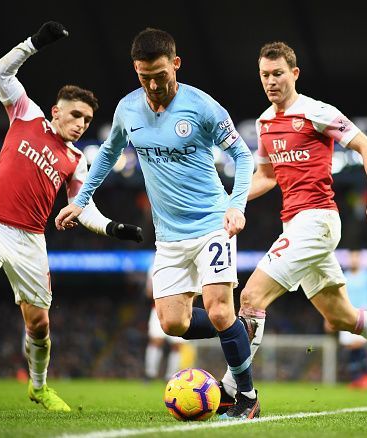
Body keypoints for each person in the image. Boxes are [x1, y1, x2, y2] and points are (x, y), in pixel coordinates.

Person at [220, 41, 367, 404]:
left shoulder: (317, 112)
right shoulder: (264, 123)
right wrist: (230, 201)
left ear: (294, 73)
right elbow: (266, 177)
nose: (271, 81)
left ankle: (235, 392)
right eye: (265, 75)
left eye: (278, 74)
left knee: (250, 296)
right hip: (293, 225)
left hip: (318, 220)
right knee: (340, 316)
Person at [56, 28, 260, 419]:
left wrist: (236, 206)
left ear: (176, 64)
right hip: (168, 237)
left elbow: (242, 155)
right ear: (135, 69)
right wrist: (82, 200)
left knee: (218, 310)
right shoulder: (127, 109)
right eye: (144, 76)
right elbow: (107, 154)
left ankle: (247, 396)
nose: (153, 84)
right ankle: (239, 329)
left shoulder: (201, 106)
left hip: (212, 224)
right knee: (172, 322)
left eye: (160, 75)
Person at [0, 22, 143, 412]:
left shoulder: (77, 161)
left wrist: (113, 228)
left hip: (30, 240)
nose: (80, 124)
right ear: (56, 111)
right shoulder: (26, 115)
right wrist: (34, 43)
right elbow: (1, 72)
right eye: (75, 115)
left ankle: (39, 387)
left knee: (39, 325)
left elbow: (83, 207)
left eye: (87, 121)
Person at [326, 250, 367, 389]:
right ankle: (357, 378)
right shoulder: (344, 276)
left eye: (356, 258)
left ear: (360, 259)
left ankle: (365, 376)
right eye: (351, 258)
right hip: (347, 315)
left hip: (364, 316)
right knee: (350, 347)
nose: (353, 260)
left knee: (359, 345)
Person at [143, 265, 189, 380]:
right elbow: (149, 291)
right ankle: (150, 374)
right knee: (156, 341)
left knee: (177, 346)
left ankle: (171, 377)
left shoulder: (187, 263)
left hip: (181, 308)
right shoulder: (157, 264)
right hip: (159, 308)